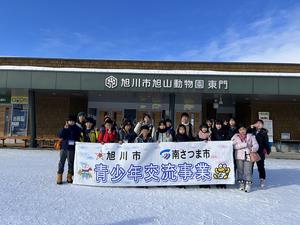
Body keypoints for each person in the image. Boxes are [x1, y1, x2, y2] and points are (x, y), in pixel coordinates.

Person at [232, 125, 259, 192]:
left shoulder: (251, 136)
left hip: (248, 155)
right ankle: (241, 184)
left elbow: (256, 145)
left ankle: (248, 185)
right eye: (240, 129)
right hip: (239, 156)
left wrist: (252, 149)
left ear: (246, 130)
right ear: (238, 130)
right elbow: (233, 145)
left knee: (248, 171)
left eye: (243, 129)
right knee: (240, 170)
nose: (242, 131)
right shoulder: (235, 136)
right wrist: (244, 145)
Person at [57, 115, 82, 184]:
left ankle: (69, 176)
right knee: (61, 162)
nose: (71, 122)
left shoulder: (77, 128)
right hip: (64, 147)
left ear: (75, 122)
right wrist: (64, 129)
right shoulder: (65, 127)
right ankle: (59, 176)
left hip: (72, 148)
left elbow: (80, 136)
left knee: (71, 163)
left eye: (72, 121)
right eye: (70, 121)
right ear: (67, 121)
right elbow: (59, 135)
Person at [248, 119, 271, 188]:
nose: (259, 124)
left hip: (260, 152)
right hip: (252, 152)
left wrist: (268, 150)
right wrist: (250, 127)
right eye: (257, 123)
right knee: (250, 167)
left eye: (260, 123)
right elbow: (245, 132)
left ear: (262, 125)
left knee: (260, 167)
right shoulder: (252, 131)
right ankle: (249, 180)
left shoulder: (264, 132)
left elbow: (266, 142)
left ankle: (262, 179)